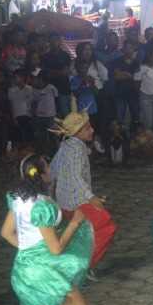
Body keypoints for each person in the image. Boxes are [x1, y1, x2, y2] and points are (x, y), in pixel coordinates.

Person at [0, 155, 94, 305]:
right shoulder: (42, 206)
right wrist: (75, 223)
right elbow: (56, 248)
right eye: (48, 166)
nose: (51, 169)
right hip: (44, 273)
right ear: (41, 175)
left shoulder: (17, 198)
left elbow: (6, 233)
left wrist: (28, 251)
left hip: (23, 269)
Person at [48, 106, 116, 271]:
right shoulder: (77, 148)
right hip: (77, 202)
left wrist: (52, 195)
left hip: (64, 202)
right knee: (107, 227)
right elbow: (76, 177)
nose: (92, 130)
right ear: (77, 133)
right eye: (87, 128)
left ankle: (78, 262)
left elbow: (53, 170)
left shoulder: (66, 145)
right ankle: (85, 266)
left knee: (84, 230)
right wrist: (91, 197)